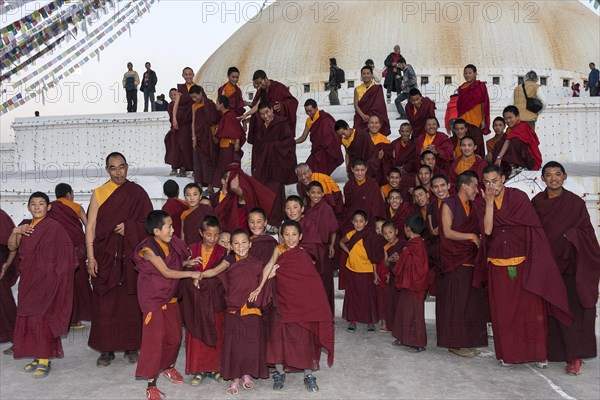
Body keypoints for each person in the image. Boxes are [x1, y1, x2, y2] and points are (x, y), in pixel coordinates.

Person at [475, 165, 572, 367]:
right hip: (497, 266)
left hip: (523, 265)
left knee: (531, 313)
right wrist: (490, 203)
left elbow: (532, 228)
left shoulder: (518, 197)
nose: (491, 185)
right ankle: (509, 355)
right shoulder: (482, 203)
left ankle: (539, 354)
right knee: (504, 314)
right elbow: (488, 230)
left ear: (503, 179)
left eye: (494, 180)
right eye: (487, 182)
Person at [249, 220, 335, 393]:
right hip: (281, 302)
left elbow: (311, 281)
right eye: (286, 234)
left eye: (294, 234)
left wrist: (316, 305)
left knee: (304, 338)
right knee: (279, 337)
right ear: (281, 236)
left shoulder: (304, 254)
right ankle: (280, 373)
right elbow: (268, 267)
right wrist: (260, 286)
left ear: (300, 236)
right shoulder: (278, 249)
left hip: (301, 305)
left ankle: (308, 374)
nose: (290, 238)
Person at [532, 161, 600, 375]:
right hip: (545, 267)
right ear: (542, 178)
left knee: (567, 312)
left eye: (557, 174)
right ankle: (553, 353)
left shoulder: (575, 204)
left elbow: (588, 234)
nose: (553, 178)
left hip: (569, 266)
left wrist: (572, 236)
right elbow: (532, 233)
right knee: (546, 313)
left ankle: (574, 357)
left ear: (564, 176)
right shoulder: (536, 203)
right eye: (549, 175)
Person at [87, 152, 153, 367]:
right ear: (107, 170)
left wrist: (131, 228)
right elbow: (91, 227)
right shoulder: (99, 193)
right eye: (113, 168)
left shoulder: (137, 193)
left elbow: (150, 223)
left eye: (121, 167)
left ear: (127, 167)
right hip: (105, 258)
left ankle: (131, 346)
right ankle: (106, 350)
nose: (118, 172)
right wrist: (90, 258)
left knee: (130, 304)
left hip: (129, 259)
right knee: (105, 304)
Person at [133, 211, 202, 400]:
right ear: (156, 230)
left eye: (172, 225)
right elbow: (166, 272)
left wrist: (187, 262)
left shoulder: (169, 244)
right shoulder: (147, 250)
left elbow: (174, 263)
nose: (173, 229)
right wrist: (191, 274)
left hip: (170, 298)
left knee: (174, 338)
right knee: (154, 342)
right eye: (169, 226)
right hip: (153, 301)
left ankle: (168, 367)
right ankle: (151, 384)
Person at [8, 192, 76, 378]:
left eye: (41, 203)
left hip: (47, 283)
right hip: (29, 281)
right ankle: (38, 356)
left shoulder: (54, 228)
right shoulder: (24, 227)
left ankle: (45, 358)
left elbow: (67, 255)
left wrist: (56, 278)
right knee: (28, 317)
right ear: (28, 207)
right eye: (33, 204)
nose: (37, 207)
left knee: (42, 319)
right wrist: (15, 231)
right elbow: (12, 247)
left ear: (48, 207)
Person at [437, 171, 488, 357]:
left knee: (470, 304)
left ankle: (466, 341)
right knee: (457, 304)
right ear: (465, 185)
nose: (477, 189)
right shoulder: (448, 204)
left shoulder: (473, 207)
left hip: (470, 260)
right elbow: (447, 232)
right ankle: (455, 343)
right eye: (475, 185)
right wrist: (472, 236)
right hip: (454, 260)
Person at [181, 216, 230, 385]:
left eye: (216, 235)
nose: (212, 239)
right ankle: (199, 370)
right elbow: (177, 269)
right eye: (208, 235)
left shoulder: (223, 251)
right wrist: (187, 264)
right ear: (201, 233)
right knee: (196, 336)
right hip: (195, 301)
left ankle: (215, 368)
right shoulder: (191, 249)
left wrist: (202, 280)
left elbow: (223, 276)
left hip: (215, 300)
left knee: (216, 332)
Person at [221, 229, 269, 395]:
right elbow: (224, 283)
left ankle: (246, 374)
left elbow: (262, 280)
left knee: (250, 345)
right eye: (236, 243)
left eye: (244, 242)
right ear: (231, 246)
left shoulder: (257, 264)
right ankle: (235, 379)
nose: (240, 246)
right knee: (234, 346)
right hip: (233, 309)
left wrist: (271, 273)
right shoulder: (228, 264)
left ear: (250, 244)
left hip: (250, 309)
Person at [48, 183, 91, 330]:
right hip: (76, 250)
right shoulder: (77, 207)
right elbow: (88, 225)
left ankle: (60, 320)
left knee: (61, 285)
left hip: (58, 251)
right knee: (79, 285)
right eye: (72, 193)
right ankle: (75, 320)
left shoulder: (51, 207)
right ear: (68, 194)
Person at [250, 101, 297, 226]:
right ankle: (263, 220)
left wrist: (272, 147)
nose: (265, 116)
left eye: (267, 112)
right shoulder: (261, 125)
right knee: (261, 190)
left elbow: (289, 142)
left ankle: (275, 221)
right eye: (262, 114)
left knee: (275, 192)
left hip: (277, 165)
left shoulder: (281, 122)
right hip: (264, 166)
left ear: (272, 110)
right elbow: (258, 145)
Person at [339, 210, 384, 333]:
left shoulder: (370, 236)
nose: (358, 224)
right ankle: (353, 321)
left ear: (366, 222)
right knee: (353, 296)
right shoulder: (351, 234)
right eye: (356, 221)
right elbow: (341, 242)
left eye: (361, 221)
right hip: (353, 269)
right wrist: (348, 252)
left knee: (368, 298)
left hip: (367, 270)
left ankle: (370, 322)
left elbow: (374, 256)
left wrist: (375, 273)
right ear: (352, 222)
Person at [390, 215, 429, 353]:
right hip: (408, 284)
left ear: (408, 229)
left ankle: (418, 342)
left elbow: (419, 267)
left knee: (415, 314)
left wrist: (404, 257)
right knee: (403, 311)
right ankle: (402, 337)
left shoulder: (416, 245)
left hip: (414, 285)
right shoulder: (414, 244)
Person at [298, 183, 339, 311]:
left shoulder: (326, 208)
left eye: (318, 193)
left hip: (323, 248)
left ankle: (326, 310)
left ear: (322, 194)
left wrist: (332, 245)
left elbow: (333, 229)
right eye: (313, 192)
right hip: (309, 249)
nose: (315, 195)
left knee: (325, 280)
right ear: (308, 194)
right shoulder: (304, 209)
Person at [242, 70, 299, 147]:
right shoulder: (262, 92)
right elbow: (257, 107)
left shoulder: (279, 87)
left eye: (260, 82)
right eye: (257, 84)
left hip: (278, 126)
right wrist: (246, 115)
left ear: (265, 79)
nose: (259, 86)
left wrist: (282, 105)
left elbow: (293, 102)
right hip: (267, 126)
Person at [215, 164, 275, 232]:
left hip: (244, 236)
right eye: (228, 177)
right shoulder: (229, 199)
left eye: (232, 176)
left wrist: (235, 171)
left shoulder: (245, 196)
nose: (229, 179)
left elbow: (234, 187)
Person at [295, 99, 343, 176]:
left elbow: (335, 134)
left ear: (316, 108)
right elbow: (304, 137)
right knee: (308, 170)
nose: (309, 113)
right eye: (307, 111)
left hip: (328, 150)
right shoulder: (308, 121)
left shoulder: (325, 118)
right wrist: (293, 142)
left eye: (310, 111)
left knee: (319, 173)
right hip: (316, 151)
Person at [493, 105, 542, 175]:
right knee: (499, 144)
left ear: (518, 116)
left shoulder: (523, 126)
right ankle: (500, 170)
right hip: (517, 157)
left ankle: (519, 166)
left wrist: (499, 158)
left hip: (531, 160)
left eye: (510, 118)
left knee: (515, 141)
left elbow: (508, 141)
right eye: (506, 118)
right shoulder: (509, 129)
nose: (508, 121)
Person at [341, 159, 386, 235]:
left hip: (369, 221)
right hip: (354, 221)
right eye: (357, 170)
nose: (360, 173)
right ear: (352, 170)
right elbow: (348, 207)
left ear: (366, 169)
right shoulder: (348, 186)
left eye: (362, 170)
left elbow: (378, 207)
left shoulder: (373, 185)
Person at [190, 85, 220, 195]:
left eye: (195, 96)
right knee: (197, 162)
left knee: (208, 161)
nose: (194, 99)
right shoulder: (194, 106)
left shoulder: (210, 104)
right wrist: (193, 137)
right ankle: (198, 187)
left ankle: (210, 186)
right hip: (198, 137)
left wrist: (214, 135)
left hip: (208, 137)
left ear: (201, 93)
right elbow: (193, 122)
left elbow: (215, 120)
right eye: (192, 97)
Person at [380, 221, 406, 333]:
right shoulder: (385, 247)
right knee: (392, 300)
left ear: (396, 231)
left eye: (390, 232)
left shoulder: (404, 243)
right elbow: (385, 264)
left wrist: (400, 258)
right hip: (393, 277)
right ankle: (393, 324)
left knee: (402, 301)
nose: (388, 236)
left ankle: (402, 324)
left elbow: (409, 259)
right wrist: (390, 259)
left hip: (403, 276)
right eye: (385, 234)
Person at [213, 95, 246, 187]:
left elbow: (236, 131)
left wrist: (237, 143)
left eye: (217, 102)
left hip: (229, 146)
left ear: (221, 104)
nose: (216, 105)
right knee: (223, 168)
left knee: (228, 168)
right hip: (224, 146)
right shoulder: (224, 115)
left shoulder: (229, 115)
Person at [171, 67, 196, 177]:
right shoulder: (180, 89)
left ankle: (195, 168)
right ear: (183, 76)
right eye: (186, 74)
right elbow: (176, 105)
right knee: (183, 144)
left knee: (194, 144)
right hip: (183, 121)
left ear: (193, 74)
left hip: (195, 120)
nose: (188, 76)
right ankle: (183, 167)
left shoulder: (197, 88)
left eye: (190, 74)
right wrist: (174, 118)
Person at [354, 65, 391, 136]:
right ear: (361, 75)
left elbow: (379, 106)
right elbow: (356, 105)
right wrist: (363, 116)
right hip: (361, 117)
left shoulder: (377, 88)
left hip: (375, 117)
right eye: (364, 74)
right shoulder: (357, 89)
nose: (366, 75)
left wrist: (371, 118)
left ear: (371, 75)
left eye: (368, 73)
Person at [0, 209, 17, 353]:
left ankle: (18, 340)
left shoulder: (2, 217)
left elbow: (13, 245)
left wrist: (7, 264)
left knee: (5, 303)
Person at [457, 64, 490, 135]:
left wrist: (484, 120)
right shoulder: (462, 88)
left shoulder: (480, 86)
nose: (467, 75)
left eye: (470, 73)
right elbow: (459, 106)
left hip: (476, 120)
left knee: (476, 142)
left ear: (475, 74)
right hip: (463, 120)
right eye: (465, 73)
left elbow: (484, 103)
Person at [366, 115, 394, 185]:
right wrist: (376, 158)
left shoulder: (384, 140)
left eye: (376, 123)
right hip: (366, 169)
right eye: (372, 123)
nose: (374, 125)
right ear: (368, 125)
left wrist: (380, 159)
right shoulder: (363, 138)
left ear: (380, 125)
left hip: (380, 170)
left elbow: (390, 157)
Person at [164, 88, 179, 175]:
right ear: (169, 96)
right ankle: (174, 167)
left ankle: (183, 168)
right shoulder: (170, 105)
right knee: (173, 149)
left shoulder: (182, 105)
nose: (173, 96)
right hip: (174, 130)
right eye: (172, 95)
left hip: (182, 129)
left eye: (175, 94)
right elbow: (171, 115)